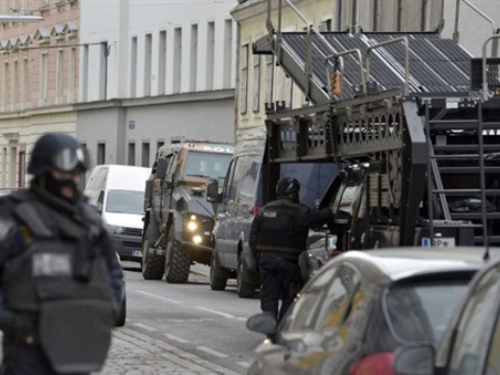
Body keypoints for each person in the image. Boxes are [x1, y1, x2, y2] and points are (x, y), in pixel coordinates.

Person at [0, 133, 124, 375]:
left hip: (74, 350)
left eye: (75, 175)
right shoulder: (13, 217)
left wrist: (108, 308)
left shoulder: (89, 220)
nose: (71, 181)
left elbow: (112, 270)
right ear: (44, 173)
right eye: (63, 174)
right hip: (28, 352)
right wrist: (10, 319)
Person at [249, 177, 335, 322]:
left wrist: (257, 258)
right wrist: (328, 211)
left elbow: (253, 237)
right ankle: (282, 329)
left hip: (267, 261)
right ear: (293, 193)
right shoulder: (300, 211)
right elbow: (320, 217)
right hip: (288, 263)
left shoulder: (265, 210)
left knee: (269, 295)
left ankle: (269, 324)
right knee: (289, 298)